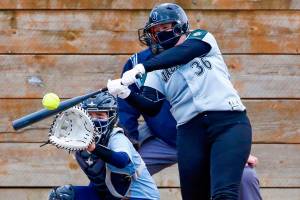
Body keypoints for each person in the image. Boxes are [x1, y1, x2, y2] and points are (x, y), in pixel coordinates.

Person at [107, 3, 253, 200]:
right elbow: (151, 106)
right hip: (190, 131)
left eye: (165, 27)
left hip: (227, 121)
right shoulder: (155, 70)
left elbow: (182, 54)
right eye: (155, 30)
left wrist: (142, 67)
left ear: (180, 26)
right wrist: (126, 94)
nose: (159, 33)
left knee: (224, 194)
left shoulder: (201, 39)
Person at [117, 47, 262, 200]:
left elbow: (223, 106)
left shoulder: (200, 47)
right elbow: (127, 110)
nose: (164, 33)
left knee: (245, 176)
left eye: (168, 27)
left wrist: (233, 151)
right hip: (164, 138)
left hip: (207, 137)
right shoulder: (138, 62)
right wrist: (128, 146)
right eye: (158, 29)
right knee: (118, 174)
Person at [48, 92, 160, 200]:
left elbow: (122, 160)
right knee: (62, 196)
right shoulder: (79, 139)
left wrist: (93, 147)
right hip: (109, 194)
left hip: (140, 196)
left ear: (111, 118)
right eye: (89, 115)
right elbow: (99, 179)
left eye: (100, 115)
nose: (94, 120)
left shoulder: (116, 136)